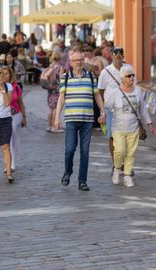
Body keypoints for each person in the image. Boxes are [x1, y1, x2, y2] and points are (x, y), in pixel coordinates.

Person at [54, 51, 106, 191]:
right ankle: (67, 172)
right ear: (70, 62)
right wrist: (57, 117)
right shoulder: (65, 77)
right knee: (70, 149)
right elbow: (61, 98)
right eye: (76, 60)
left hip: (87, 120)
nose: (79, 62)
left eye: (81, 60)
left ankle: (82, 181)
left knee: (85, 151)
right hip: (71, 120)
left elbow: (97, 96)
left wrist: (102, 111)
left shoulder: (90, 77)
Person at [105, 65, 154, 187]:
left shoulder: (138, 91)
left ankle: (127, 176)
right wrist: (102, 116)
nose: (132, 78)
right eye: (129, 76)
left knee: (131, 153)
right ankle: (117, 168)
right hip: (118, 128)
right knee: (120, 151)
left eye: (133, 75)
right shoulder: (115, 92)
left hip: (134, 128)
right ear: (122, 78)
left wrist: (150, 123)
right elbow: (107, 107)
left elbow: (142, 109)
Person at [98, 47, 135, 174]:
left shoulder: (129, 68)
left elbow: (133, 85)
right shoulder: (105, 72)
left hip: (127, 109)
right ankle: (116, 164)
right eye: (116, 53)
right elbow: (101, 91)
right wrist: (104, 107)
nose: (118, 55)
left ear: (123, 55)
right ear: (111, 55)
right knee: (113, 138)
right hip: (111, 110)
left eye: (120, 53)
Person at [2, 66, 27, 172]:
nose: (4, 75)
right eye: (2, 73)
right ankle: (8, 161)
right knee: (5, 140)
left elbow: (20, 102)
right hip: (3, 116)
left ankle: (12, 163)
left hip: (15, 115)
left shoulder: (16, 87)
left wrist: (24, 117)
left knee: (13, 139)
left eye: (7, 73)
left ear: (11, 75)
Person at [43, 52, 64, 133]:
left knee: (50, 109)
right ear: (59, 59)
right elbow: (61, 78)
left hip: (50, 89)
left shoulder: (50, 67)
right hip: (57, 89)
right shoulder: (60, 67)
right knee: (56, 108)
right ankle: (55, 127)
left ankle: (49, 126)